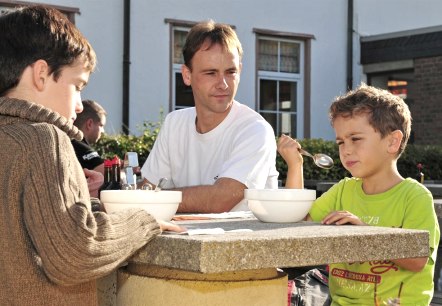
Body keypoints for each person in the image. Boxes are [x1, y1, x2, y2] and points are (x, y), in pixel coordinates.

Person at [0, 6, 183, 305]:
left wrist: (92, 208)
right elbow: (75, 254)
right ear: (42, 74)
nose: (80, 105)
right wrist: (143, 222)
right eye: (77, 86)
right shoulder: (45, 139)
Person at [278, 84, 440, 305]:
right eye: (341, 142)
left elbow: (417, 259)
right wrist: (295, 165)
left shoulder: (414, 196)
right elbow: (297, 222)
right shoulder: (343, 190)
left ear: (392, 141)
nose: (346, 149)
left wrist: (363, 233)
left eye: (355, 139)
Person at [140, 20, 279, 213]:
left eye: (231, 72)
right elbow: (147, 189)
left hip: (240, 242)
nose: (223, 84)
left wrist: (154, 199)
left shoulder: (255, 130)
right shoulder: (174, 123)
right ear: (187, 75)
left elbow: (220, 200)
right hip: (186, 238)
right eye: (210, 73)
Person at [72, 99, 106, 175]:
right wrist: (127, 169)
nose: (103, 131)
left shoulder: (71, 141)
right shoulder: (78, 145)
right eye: (101, 125)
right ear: (89, 124)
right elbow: (109, 175)